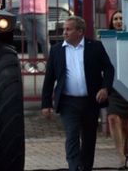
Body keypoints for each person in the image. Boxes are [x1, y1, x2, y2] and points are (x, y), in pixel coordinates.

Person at [41, 16, 115, 171]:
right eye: (64, 29)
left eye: (68, 29)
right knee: (72, 135)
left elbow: (108, 69)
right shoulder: (56, 50)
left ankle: (86, 167)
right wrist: (46, 104)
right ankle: (74, 167)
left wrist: (105, 88)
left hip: (90, 101)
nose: (64, 33)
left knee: (89, 138)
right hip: (68, 102)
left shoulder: (95, 47)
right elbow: (49, 79)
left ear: (80, 31)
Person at [106, 10, 128, 169]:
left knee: (124, 122)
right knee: (112, 118)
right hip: (112, 85)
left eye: (121, 18)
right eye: (115, 19)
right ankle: (120, 156)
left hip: (127, 83)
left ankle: (126, 145)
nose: (118, 21)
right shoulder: (106, 39)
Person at [17, 0, 53, 72]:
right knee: (30, 40)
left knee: (43, 39)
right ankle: (33, 66)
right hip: (25, 12)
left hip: (40, 11)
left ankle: (50, 64)